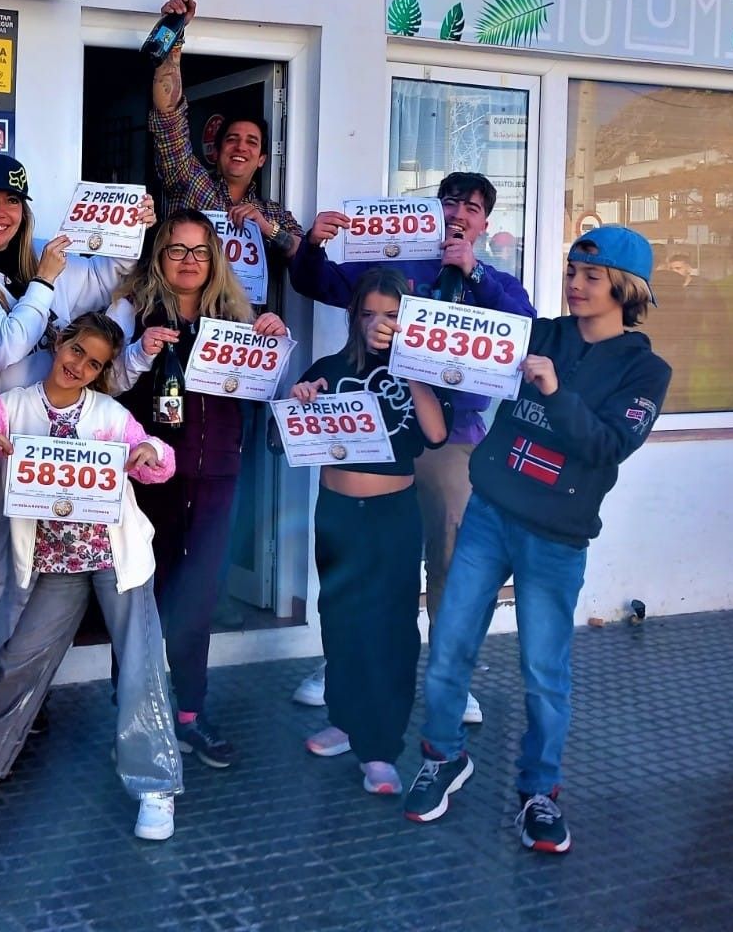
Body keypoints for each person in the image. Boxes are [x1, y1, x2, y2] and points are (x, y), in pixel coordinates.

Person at [403, 227, 671, 853]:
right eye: (572, 271)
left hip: (556, 536)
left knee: (543, 672)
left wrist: (556, 391)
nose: (575, 284)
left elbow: (608, 447)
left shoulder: (646, 370)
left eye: (591, 276)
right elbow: (487, 320)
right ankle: (444, 756)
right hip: (490, 513)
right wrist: (414, 326)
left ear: (625, 290)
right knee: (447, 647)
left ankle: (539, 793)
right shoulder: (543, 331)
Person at [0, 314, 183, 840]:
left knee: (140, 665)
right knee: (21, 658)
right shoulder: (14, 405)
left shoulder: (108, 413)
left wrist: (150, 453)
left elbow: (158, 459)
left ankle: (155, 785)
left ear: (104, 371)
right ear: (61, 342)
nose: (79, 365)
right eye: (76, 351)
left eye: (95, 363)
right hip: (57, 562)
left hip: (115, 556)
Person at [286, 172, 535, 722]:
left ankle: (448, 677)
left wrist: (474, 273)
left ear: (483, 223)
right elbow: (319, 283)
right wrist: (312, 243)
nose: (459, 213)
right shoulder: (398, 266)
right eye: (450, 201)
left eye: (471, 207)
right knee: (365, 555)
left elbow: (525, 327)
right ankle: (343, 663)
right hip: (386, 427)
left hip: (455, 441)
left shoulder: (493, 281)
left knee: (447, 560)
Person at [0, 153, 153, 729]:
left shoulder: (50, 265)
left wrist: (131, 222)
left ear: (25, 210)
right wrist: (43, 284)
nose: (0, 211)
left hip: (49, 458)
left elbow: (115, 271)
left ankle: (14, 701)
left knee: (28, 583)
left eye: (12, 201)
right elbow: (7, 347)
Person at [107, 210, 287, 769]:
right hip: (150, 475)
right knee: (142, 596)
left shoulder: (236, 315)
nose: (189, 261)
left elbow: (260, 392)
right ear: (159, 256)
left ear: (215, 259)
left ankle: (190, 715)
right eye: (176, 250)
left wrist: (270, 345)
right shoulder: (129, 310)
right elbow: (103, 380)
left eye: (200, 251)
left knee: (200, 595)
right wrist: (139, 352)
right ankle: (131, 712)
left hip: (217, 474)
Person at [284, 270, 447, 796]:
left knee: (393, 630)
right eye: (370, 313)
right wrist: (302, 396)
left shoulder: (418, 370)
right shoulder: (329, 368)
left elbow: (437, 434)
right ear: (354, 317)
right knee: (340, 619)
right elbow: (285, 431)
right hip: (336, 512)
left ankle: (381, 746)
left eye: (392, 313)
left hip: (392, 514)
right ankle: (347, 722)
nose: (379, 323)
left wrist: (412, 363)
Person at [149, 0, 303, 259]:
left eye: (251, 142)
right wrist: (171, 35)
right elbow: (169, 118)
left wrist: (267, 229)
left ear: (262, 159)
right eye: (231, 139)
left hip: (242, 303)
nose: (240, 147)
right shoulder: (190, 182)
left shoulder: (273, 213)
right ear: (217, 151)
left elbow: (304, 258)